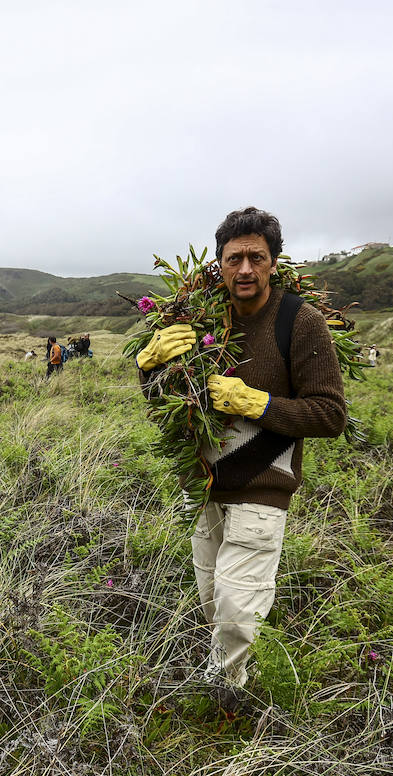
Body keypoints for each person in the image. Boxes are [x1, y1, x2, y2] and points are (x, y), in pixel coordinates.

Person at [137, 207, 346, 710]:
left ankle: (226, 701)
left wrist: (257, 403)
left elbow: (331, 415)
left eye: (257, 257)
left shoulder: (301, 321)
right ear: (220, 263)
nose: (245, 269)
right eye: (235, 259)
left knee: (235, 610)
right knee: (213, 600)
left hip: (264, 485)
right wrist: (148, 366)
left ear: (274, 261)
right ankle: (225, 676)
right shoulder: (203, 320)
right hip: (207, 485)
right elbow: (169, 399)